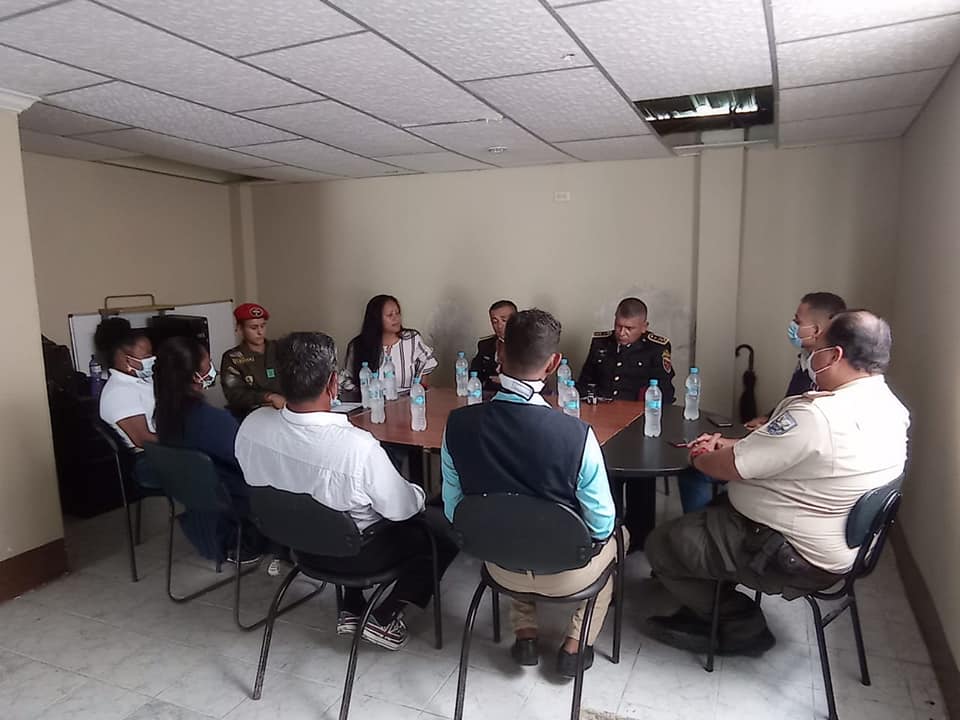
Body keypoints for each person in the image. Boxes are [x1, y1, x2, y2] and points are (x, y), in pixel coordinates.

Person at [643, 310, 909, 655]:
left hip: (789, 553)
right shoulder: (891, 408)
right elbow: (794, 453)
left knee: (662, 543)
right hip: (840, 546)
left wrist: (699, 457)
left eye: (819, 345)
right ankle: (709, 592)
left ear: (835, 355)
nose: (812, 352)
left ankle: (740, 626)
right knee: (705, 518)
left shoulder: (818, 416)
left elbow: (730, 468)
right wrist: (732, 444)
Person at [236, 331, 458, 650]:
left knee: (339, 511)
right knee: (444, 530)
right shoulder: (356, 447)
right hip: (357, 556)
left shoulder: (252, 425)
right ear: (332, 384)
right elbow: (403, 510)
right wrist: (421, 495)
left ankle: (352, 605)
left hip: (295, 546)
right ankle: (385, 616)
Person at [442, 309, 626, 676]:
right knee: (620, 537)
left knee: (512, 525)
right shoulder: (577, 437)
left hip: (499, 564)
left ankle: (525, 633)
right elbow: (602, 524)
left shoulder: (457, 425)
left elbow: (453, 511)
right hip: (566, 572)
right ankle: (576, 646)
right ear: (554, 363)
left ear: (500, 353)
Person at [153, 336, 261, 564]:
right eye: (208, 363)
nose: (213, 369)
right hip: (232, 498)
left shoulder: (164, 414)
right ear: (195, 376)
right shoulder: (211, 419)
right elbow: (247, 460)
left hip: (199, 498)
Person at [576, 298, 674, 548]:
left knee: (641, 479)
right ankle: (612, 533)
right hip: (602, 423)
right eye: (619, 325)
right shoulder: (601, 343)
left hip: (639, 425)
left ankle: (640, 537)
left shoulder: (656, 348)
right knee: (607, 476)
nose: (621, 332)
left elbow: (666, 393)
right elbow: (584, 382)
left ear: (644, 326)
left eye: (629, 328)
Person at [745, 292, 847, 430]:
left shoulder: (827, 370)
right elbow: (794, 400)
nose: (792, 325)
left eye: (798, 322)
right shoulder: (805, 358)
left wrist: (772, 430)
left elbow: (808, 419)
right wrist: (769, 418)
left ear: (816, 330)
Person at [341, 294, 437, 393]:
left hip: (406, 400)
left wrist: (420, 390)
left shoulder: (412, 339)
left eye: (398, 313)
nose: (396, 318)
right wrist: (363, 394)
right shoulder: (358, 345)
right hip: (373, 401)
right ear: (376, 319)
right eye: (390, 315)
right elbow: (347, 379)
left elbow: (427, 363)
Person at [96, 317, 158, 451]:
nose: (152, 360)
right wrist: (185, 441)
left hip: (161, 448)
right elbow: (143, 440)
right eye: (146, 357)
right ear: (126, 359)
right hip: (147, 455)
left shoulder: (140, 379)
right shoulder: (120, 392)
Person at [221, 302, 284, 419]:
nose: (260, 332)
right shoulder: (233, 357)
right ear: (240, 329)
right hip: (251, 415)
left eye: (263, 326)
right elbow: (234, 394)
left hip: (285, 411)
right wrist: (267, 397)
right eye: (253, 328)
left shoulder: (279, 348)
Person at [470, 299, 517, 391]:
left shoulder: (527, 346)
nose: (499, 326)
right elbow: (474, 373)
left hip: (517, 395)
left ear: (515, 320)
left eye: (504, 320)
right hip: (490, 394)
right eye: (495, 321)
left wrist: (506, 382)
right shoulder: (485, 345)